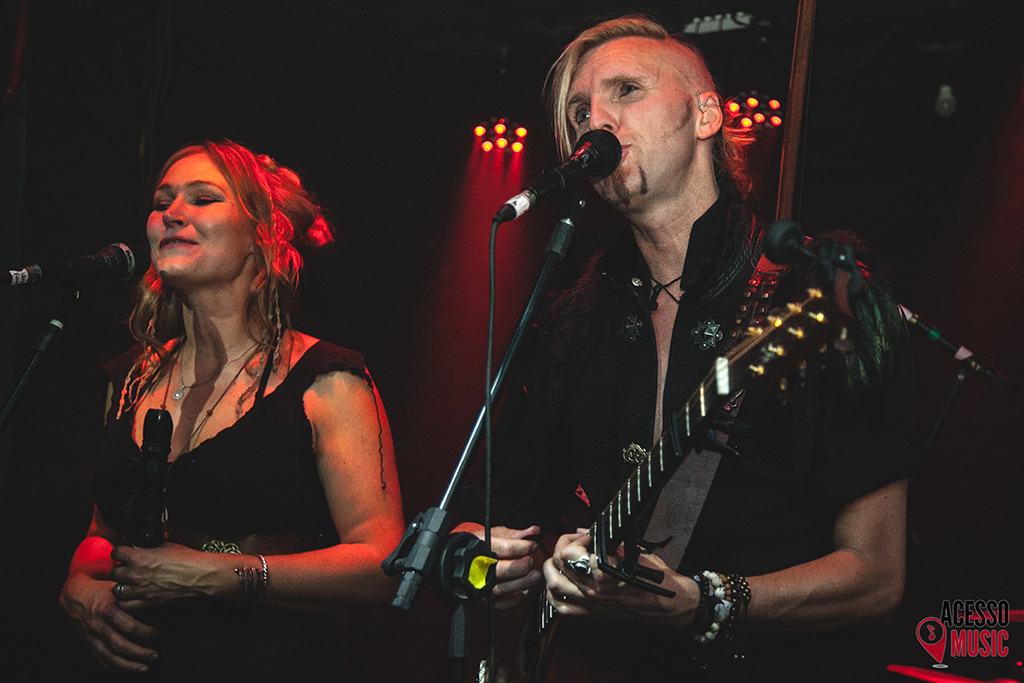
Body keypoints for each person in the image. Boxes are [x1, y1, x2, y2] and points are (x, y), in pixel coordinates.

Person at [457, 15, 922, 682]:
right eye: (580, 110)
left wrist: (708, 601)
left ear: (706, 115)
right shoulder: (567, 323)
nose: (595, 120)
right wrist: (496, 561)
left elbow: (875, 578)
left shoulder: (826, 298)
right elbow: (492, 517)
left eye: (626, 90)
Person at [59, 140, 404, 680]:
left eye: (203, 199)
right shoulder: (130, 377)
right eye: (162, 201)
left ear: (261, 235)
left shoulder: (328, 380)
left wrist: (212, 576)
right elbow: (104, 528)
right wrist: (80, 580)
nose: (172, 213)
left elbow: (382, 565)